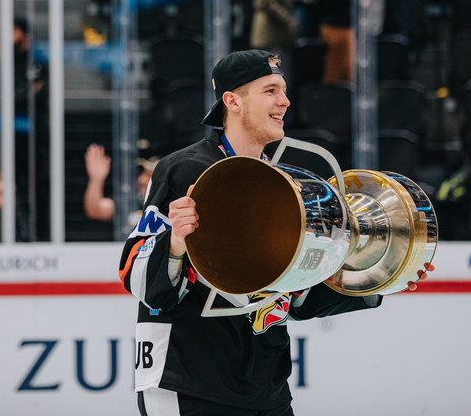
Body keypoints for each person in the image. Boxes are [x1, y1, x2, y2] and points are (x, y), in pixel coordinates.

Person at [118, 49, 432, 415]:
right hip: (188, 383)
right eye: (269, 91)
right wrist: (173, 241)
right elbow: (137, 279)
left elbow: (295, 298)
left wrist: (379, 276)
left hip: (266, 389)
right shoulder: (185, 170)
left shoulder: (286, 183)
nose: (284, 101)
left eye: (283, 90)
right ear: (232, 101)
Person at [0, 17, 50, 241]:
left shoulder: (37, 62)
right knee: (11, 185)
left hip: (35, 137)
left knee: (39, 187)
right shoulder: (0, 63)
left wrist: (21, 95)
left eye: (13, 30)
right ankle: (15, 234)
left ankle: (39, 236)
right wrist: (25, 93)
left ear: (24, 33)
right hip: (8, 136)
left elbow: (42, 95)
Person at [83, 143, 157, 228]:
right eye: (143, 174)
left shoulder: (172, 204)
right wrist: (96, 179)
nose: (141, 180)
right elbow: (95, 210)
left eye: (150, 176)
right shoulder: (130, 203)